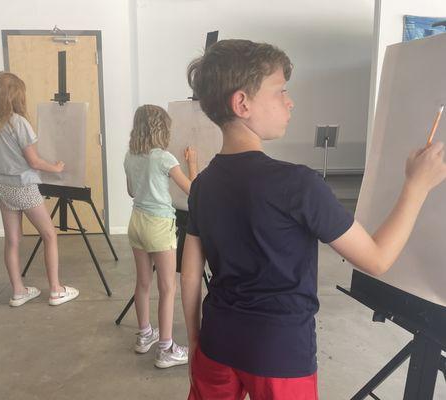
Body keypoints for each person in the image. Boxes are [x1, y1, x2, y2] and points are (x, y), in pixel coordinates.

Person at [180, 39, 446, 399]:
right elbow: (377, 259)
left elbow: (191, 270)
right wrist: (416, 186)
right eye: (281, 92)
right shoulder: (298, 184)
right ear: (242, 103)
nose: (290, 102)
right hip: (280, 353)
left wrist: (196, 339)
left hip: (217, 341)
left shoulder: (202, 184)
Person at [0, 71, 79, 307]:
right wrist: (56, 167)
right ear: (14, 96)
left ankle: (18, 292)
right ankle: (55, 290)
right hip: (23, 186)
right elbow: (33, 161)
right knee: (50, 235)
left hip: (0, 186)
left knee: (12, 240)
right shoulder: (18, 123)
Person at [124, 104, 197, 368]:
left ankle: (145, 335)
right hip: (159, 225)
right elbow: (193, 191)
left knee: (143, 282)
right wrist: (192, 163)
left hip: (136, 223)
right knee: (167, 287)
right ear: (161, 129)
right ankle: (166, 349)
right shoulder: (165, 158)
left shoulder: (130, 156)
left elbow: (132, 192)